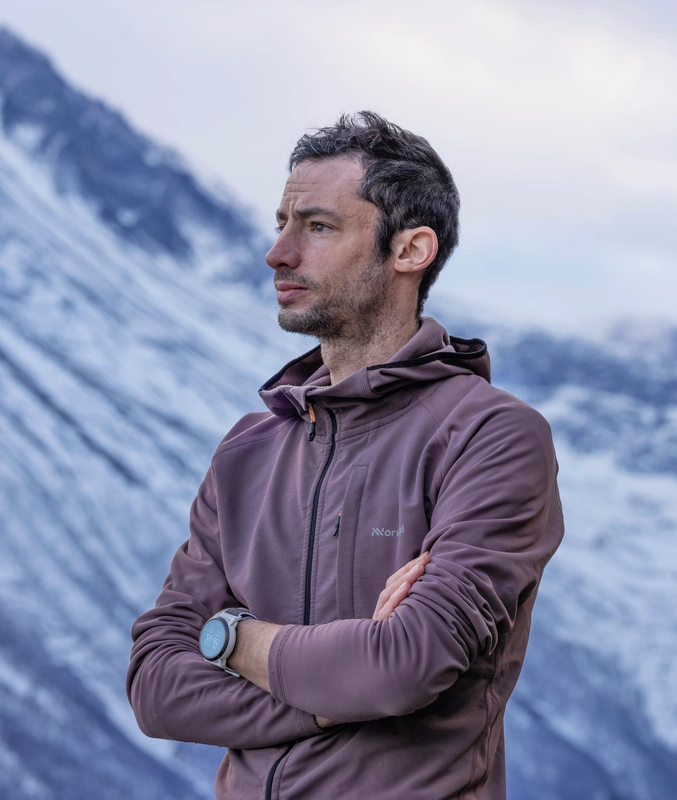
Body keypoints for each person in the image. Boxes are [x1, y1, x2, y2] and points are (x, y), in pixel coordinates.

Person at [127, 111, 564, 800]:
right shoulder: (250, 449)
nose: (279, 253)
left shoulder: (491, 437)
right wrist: (346, 685)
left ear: (410, 250)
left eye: (319, 227)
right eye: (281, 223)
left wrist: (228, 640)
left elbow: (402, 665)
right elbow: (156, 687)